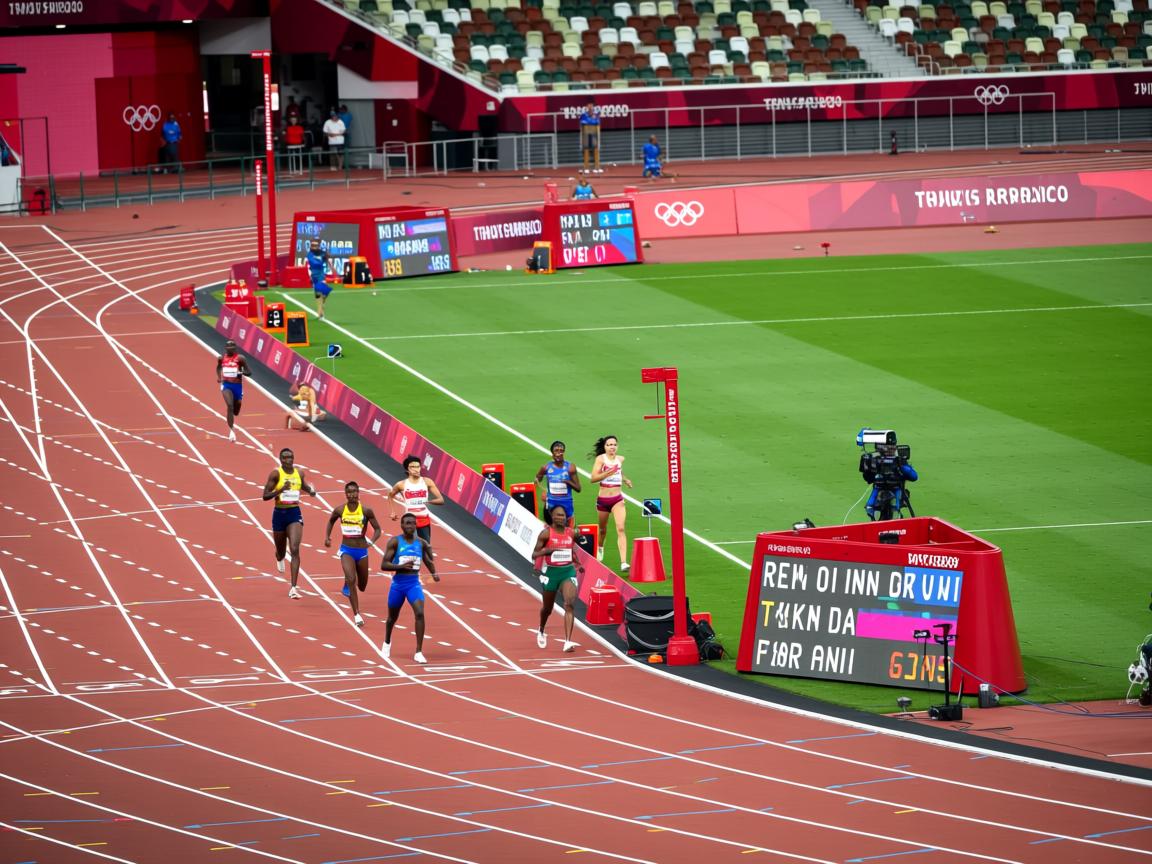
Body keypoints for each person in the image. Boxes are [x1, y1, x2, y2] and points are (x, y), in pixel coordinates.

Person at [379, 513, 438, 662]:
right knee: (392, 617)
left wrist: (434, 573)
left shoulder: (421, 543)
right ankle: (387, 642)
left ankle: (418, 652)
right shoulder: (394, 542)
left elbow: (427, 560)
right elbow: (384, 564)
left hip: (413, 584)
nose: (410, 526)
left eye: (412, 523)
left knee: (419, 613)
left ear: (416, 525)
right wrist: (400, 566)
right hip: (398, 585)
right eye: (407, 523)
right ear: (402, 525)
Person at [324, 481, 383, 628]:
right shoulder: (340, 510)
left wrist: (372, 542)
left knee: (362, 585)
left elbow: (378, 529)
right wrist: (327, 537)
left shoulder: (366, 511)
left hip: (361, 551)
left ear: (358, 493)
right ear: (345, 494)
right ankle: (356, 614)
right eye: (349, 492)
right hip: (346, 550)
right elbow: (330, 521)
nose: (352, 494)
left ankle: (348, 581)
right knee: (351, 579)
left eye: (354, 491)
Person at [261, 448, 317, 598]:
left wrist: (310, 491)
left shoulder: (299, 473)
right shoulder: (276, 474)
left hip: (294, 513)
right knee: (280, 550)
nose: (288, 460)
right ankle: (279, 556)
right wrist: (280, 491)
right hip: (279, 514)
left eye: (290, 457)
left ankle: (293, 587)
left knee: (294, 548)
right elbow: (265, 496)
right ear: (280, 460)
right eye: (285, 458)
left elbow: (303, 486)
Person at [532, 504, 585, 652]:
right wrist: (547, 551)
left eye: (563, 515)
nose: (560, 518)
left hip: (567, 572)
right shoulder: (546, 534)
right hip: (551, 574)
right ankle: (541, 628)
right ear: (552, 517)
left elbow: (571, 551)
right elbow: (534, 554)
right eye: (557, 515)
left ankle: (567, 642)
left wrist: (578, 562)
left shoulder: (571, 533)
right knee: (547, 609)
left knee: (569, 604)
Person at [590, 435, 633, 571]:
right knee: (602, 530)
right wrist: (607, 474)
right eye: (609, 445)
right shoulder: (600, 459)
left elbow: (618, 471)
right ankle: (600, 547)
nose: (612, 447)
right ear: (605, 447)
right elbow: (593, 478)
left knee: (620, 528)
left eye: (614, 444)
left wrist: (625, 479)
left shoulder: (620, 459)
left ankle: (624, 562)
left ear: (617, 446)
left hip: (617, 499)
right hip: (603, 500)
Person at [387, 455, 444, 544]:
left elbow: (441, 500)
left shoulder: (427, 482)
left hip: (424, 519)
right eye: (413, 467)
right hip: (409, 520)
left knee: (425, 547)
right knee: (413, 545)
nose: (416, 469)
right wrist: (392, 512)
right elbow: (390, 496)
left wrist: (429, 501)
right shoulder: (401, 484)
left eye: (418, 466)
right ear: (407, 469)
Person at [862, 445, 918, 520]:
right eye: (888, 448)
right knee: (870, 508)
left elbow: (914, 476)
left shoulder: (899, 461)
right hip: (880, 489)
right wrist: (867, 468)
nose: (890, 451)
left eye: (891, 448)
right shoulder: (877, 460)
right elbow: (868, 478)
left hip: (896, 490)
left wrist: (902, 466)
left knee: (895, 508)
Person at [535, 441, 581, 527]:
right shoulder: (546, 468)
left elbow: (578, 488)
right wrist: (544, 489)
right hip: (552, 502)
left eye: (561, 450)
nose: (559, 453)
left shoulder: (570, 468)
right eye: (556, 450)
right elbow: (537, 479)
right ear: (552, 453)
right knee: (551, 527)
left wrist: (567, 481)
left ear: (564, 452)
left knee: (568, 529)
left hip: (566, 502)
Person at [215, 339, 250, 442]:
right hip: (226, 385)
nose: (230, 348)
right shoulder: (221, 358)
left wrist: (241, 372)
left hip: (237, 386)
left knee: (236, 411)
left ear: (235, 348)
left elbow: (249, 372)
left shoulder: (240, 359)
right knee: (229, 406)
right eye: (228, 347)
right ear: (225, 348)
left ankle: (238, 402)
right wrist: (219, 377)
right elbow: (218, 368)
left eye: (232, 347)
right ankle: (231, 430)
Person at [305, 238, 336, 319]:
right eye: (313, 245)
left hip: (321, 274)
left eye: (316, 245)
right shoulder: (310, 254)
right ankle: (320, 312)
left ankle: (322, 307)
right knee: (318, 294)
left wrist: (332, 268)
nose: (314, 247)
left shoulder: (322, 253)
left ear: (318, 246)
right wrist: (322, 258)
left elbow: (328, 261)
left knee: (324, 291)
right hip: (313, 275)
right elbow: (314, 263)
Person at [579, 101, 601, 174]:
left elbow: (597, 122)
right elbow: (583, 122)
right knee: (586, 151)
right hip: (586, 134)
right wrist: (592, 120)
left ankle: (597, 167)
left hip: (594, 133)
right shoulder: (583, 115)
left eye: (591, 105)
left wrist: (591, 120)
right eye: (589, 105)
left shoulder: (596, 115)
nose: (590, 107)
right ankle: (586, 168)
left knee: (596, 150)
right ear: (586, 107)